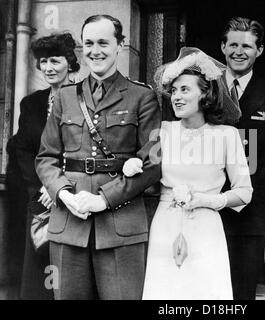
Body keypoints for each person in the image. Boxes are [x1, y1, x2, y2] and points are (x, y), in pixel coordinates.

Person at [35, 14, 161, 300]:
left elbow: (155, 160)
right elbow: (46, 158)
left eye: (103, 42)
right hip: (68, 221)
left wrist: (104, 199)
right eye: (89, 43)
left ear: (119, 45)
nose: (95, 51)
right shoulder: (65, 97)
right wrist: (64, 195)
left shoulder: (142, 97)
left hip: (121, 223)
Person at [128, 47, 252, 300]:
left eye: (185, 89)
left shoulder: (227, 135)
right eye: (174, 91)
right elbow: (143, 168)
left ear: (205, 94)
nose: (176, 97)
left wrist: (207, 201)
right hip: (165, 224)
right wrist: (133, 163)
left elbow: (244, 192)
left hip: (206, 228)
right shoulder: (161, 132)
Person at [219, 17, 265, 300]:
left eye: (247, 46)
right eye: (233, 44)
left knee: (242, 290)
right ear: (223, 47)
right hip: (208, 208)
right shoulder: (205, 90)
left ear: (259, 51)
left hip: (253, 211)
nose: (239, 51)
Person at [13, 32, 80, 300]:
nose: (48, 68)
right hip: (40, 199)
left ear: (70, 62)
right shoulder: (31, 104)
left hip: (73, 196)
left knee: (71, 274)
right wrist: (43, 186)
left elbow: (86, 150)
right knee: (39, 278)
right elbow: (23, 150)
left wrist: (59, 186)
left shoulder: (85, 98)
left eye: (55, 60)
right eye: (43, 62)